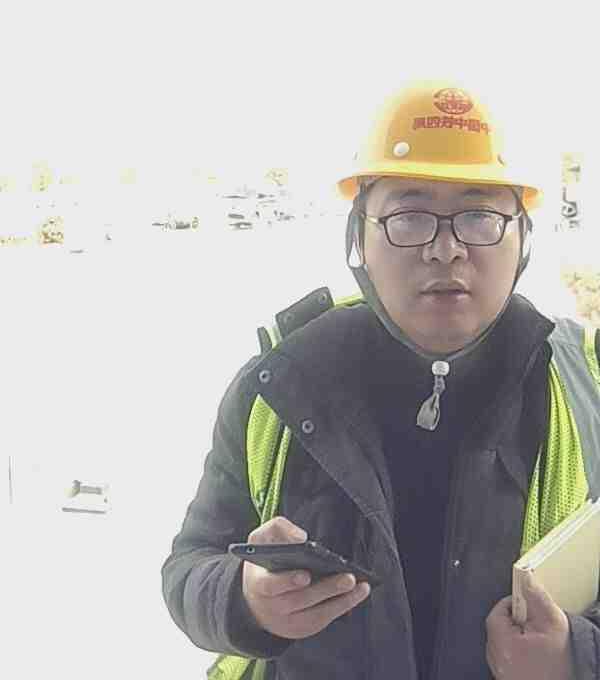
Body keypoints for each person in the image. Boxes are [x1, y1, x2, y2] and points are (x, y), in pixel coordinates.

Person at [161, 79, 600, 679]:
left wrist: (577, 657)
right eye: (409, 217)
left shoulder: (584, 386)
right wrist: (244, 599)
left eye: (479, 216)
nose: (445, 250)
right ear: (359, 240)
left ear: (522, 236)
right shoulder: (280, 386)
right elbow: (189, 565)